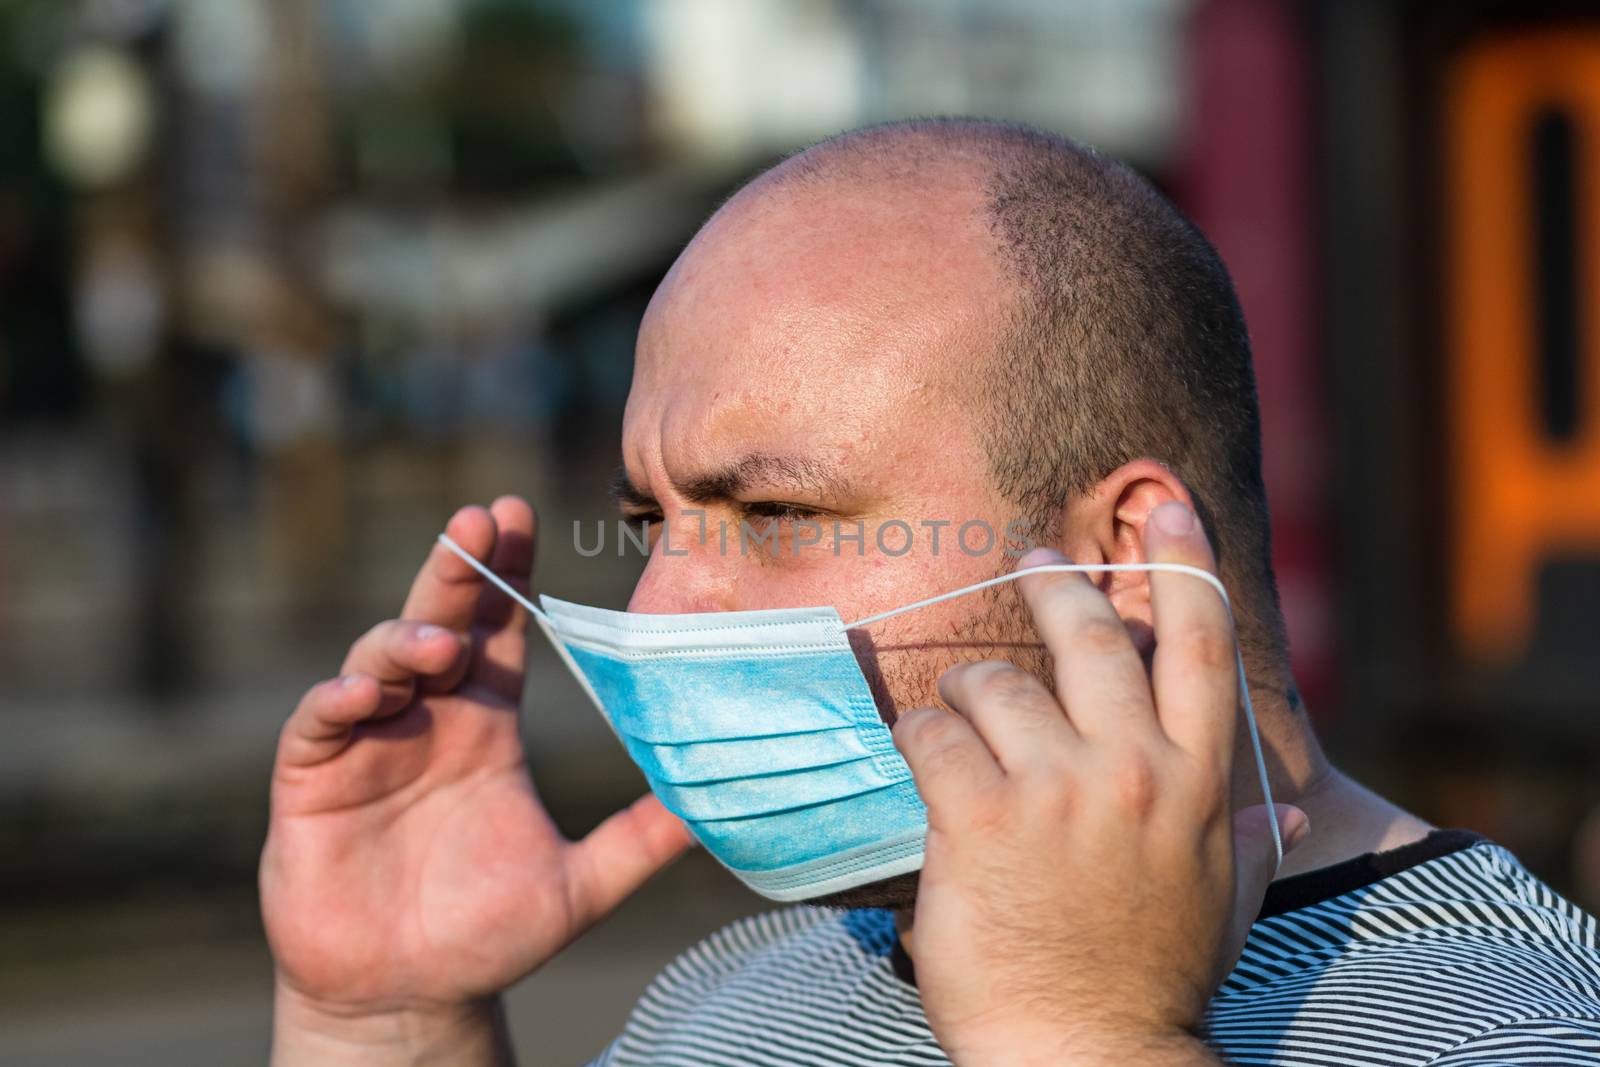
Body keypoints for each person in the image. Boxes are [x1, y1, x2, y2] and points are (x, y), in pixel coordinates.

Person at [260, 119, 1600, 1065]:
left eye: (775, 513)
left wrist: (1087, 1043)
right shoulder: (733, 996)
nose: (658, 609)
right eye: (647, 519)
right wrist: (387, 1027)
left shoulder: (1522, 1030)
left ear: (1123, 560)